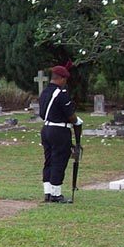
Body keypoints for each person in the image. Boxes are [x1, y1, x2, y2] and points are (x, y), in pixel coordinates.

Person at [38, 62, 83, 203]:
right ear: (61, 79)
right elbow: (70, 115)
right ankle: (56, 194)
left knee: (49, 160)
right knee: (59, 160)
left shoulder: (45, 92)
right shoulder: (61, 94)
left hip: (46, 129)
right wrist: (77, 122)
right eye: (65, 79)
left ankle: (48, 192)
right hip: (59, 130)